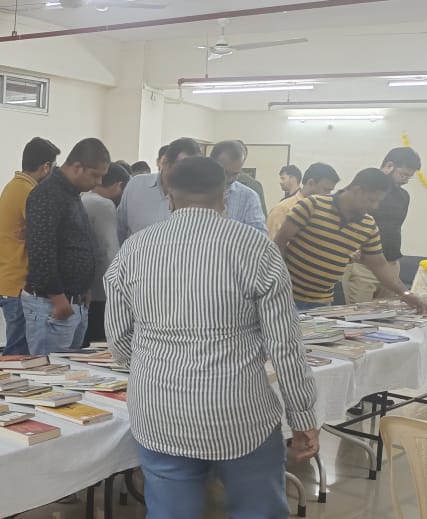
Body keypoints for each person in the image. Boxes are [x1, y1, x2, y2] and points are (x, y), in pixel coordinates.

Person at [105, 156, 319, 518]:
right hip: (240, 412)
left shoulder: (134, 249)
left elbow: (119, 340)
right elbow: (285, 347)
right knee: (258, 511)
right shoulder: (256, 248)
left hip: (159, 410)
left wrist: (155, 360)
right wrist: (302, 417)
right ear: (225, 196)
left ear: (169, 197)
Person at [274, 168, 427, 315]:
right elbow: (280, 241)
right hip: (286, 296)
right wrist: (279, 281)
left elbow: (379, 265)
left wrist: (405, 293)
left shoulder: (368, 225)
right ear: (357, 190)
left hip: (321, 303)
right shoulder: (311, 205)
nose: (374, 206)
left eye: (377, 201)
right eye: (371, 200)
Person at [22, 138, 110, 354]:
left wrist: (83, 289)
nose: (98, 182)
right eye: (95, 175)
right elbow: (41, 250)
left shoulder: (71, 194)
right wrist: (58, 297)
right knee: (51, 371)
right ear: (78, 167)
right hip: (52, 304)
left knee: (72, 370)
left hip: (73, 302)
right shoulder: (47, 194)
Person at [0, 137, 60, 356]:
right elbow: (45, 233)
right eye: (54, 167)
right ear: (46, 167)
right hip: (18, 284)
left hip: (11, 281)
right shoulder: (29, 192)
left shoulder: (15, 186)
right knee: (18, 354)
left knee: (18, 350)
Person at [341, 148, 420, 304]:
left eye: (409, 177)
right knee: (359, 314)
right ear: (389, 166)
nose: (405, 180)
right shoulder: (363, 190)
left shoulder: (403, 196)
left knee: (388, 314)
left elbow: (394, 228)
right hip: (363, 265)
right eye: (403, 175)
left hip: (390, 264)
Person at [117, 137, 202, 242]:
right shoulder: (137, 185)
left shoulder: (198, 197)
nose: (188, 175)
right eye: (183, 168)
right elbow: (120, 229)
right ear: (165, 162)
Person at [81, 161, 129, 346]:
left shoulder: (83, 198)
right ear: (118, 185)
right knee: (99, 343)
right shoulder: (105, 205)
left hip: (85, 285)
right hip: (102, 288)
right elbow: (110, 250)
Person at [267, 163, 340, 238]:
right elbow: (274, 243)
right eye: (326, 190)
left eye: (330, 191)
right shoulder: (282, 209)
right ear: (311, 183)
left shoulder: (326, 212)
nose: (328, 195)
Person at [210, 140, 267, 232]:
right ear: (211, 163)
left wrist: (226, 222)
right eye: (225, 173)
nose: (229, 179)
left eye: (235, 174)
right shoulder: (193, 191)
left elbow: (260, 236)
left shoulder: (249, 197)